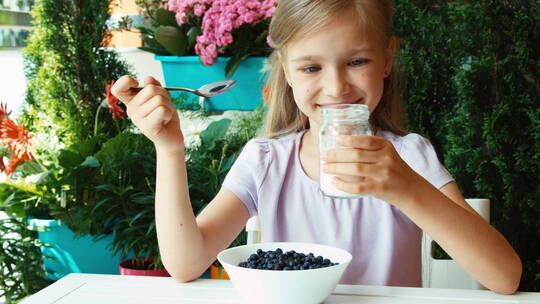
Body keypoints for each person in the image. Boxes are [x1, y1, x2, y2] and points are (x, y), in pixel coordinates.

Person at [112, 0, 522, 294]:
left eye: (356, 61)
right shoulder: (266, 161)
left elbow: (504, 277)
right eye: (311, 67)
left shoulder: (410, 157)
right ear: (287, 72)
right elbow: (185, 264)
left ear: (387, 59)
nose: (337, 87)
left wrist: (407, 189)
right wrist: (168, 149)